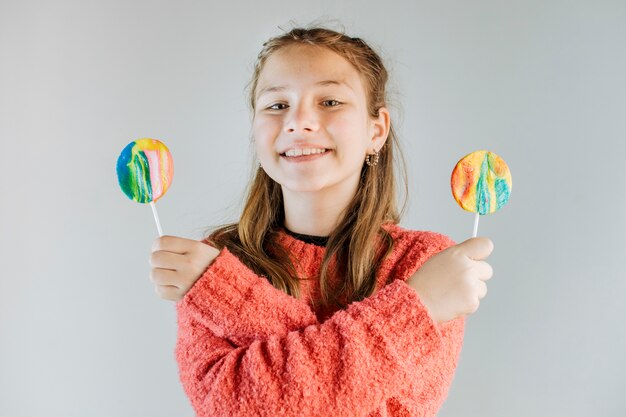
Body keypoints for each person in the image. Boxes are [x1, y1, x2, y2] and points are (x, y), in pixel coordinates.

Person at [149, 26, 494, 417]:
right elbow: (231, 408)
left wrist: (227, 294)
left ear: (376, 130)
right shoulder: (217, 259)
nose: (298, 122)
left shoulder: (425, 261)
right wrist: (418, 307)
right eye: (277, 105)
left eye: (329, 101)